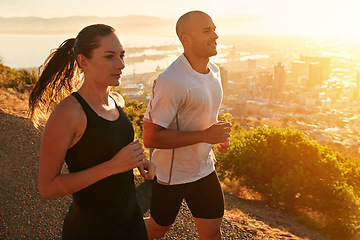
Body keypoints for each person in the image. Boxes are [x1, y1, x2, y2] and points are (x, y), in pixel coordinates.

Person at [28, 24, 155, 240]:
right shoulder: (68, 113)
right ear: (83, 61)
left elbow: (111, 147)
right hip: (90, 231)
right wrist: (112, 167)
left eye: (121, 55)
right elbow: (47, 188)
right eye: (109, 56)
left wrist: (139, 160)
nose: (121, 64)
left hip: (131, 222)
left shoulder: (117, 101)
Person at [143, 11, 231, 240]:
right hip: (172, 176)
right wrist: (204, 135)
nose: (216, 35)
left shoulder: (214, 71)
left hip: (204, 169)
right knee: (156, 230)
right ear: (185, 38)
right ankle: (119, 231)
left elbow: (206, 114)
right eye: (206, 31)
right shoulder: (172, 81)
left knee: (212, 233)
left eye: (213, 29)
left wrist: (217, 135)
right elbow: (151, 138)